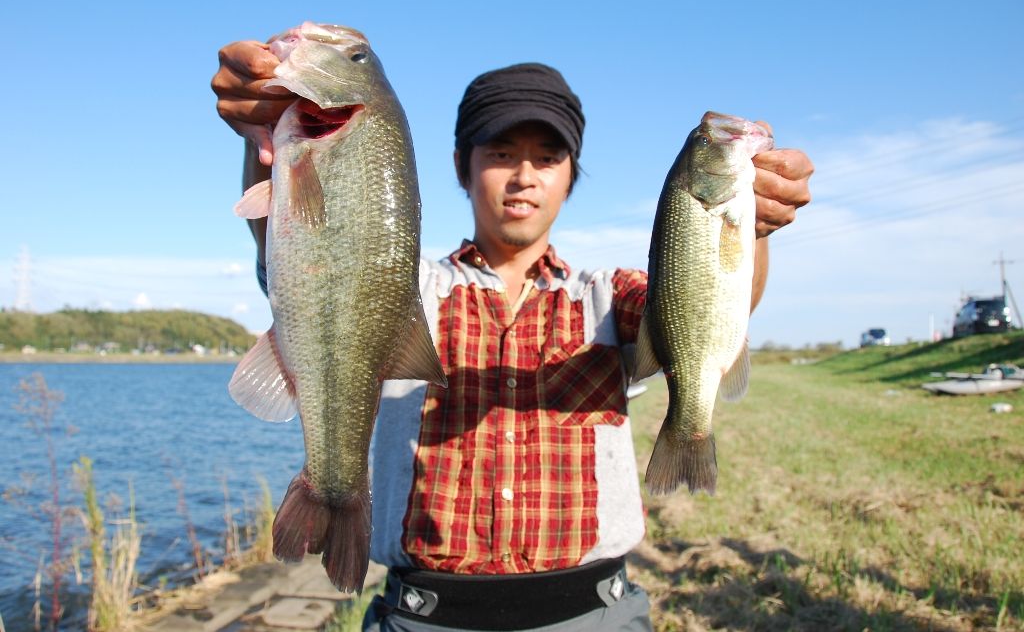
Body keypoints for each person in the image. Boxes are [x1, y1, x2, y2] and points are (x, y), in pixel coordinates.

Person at [212, 36, 813, 632]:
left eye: (547, 158)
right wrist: (267, 132)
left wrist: (752, 227)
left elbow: (708, 307)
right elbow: (295, 253)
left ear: (571, 177)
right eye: (501, 152)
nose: (524, 176)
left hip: (597, 613)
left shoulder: (610, 297)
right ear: (462, 166)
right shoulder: (399, 283)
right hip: (423, 615)